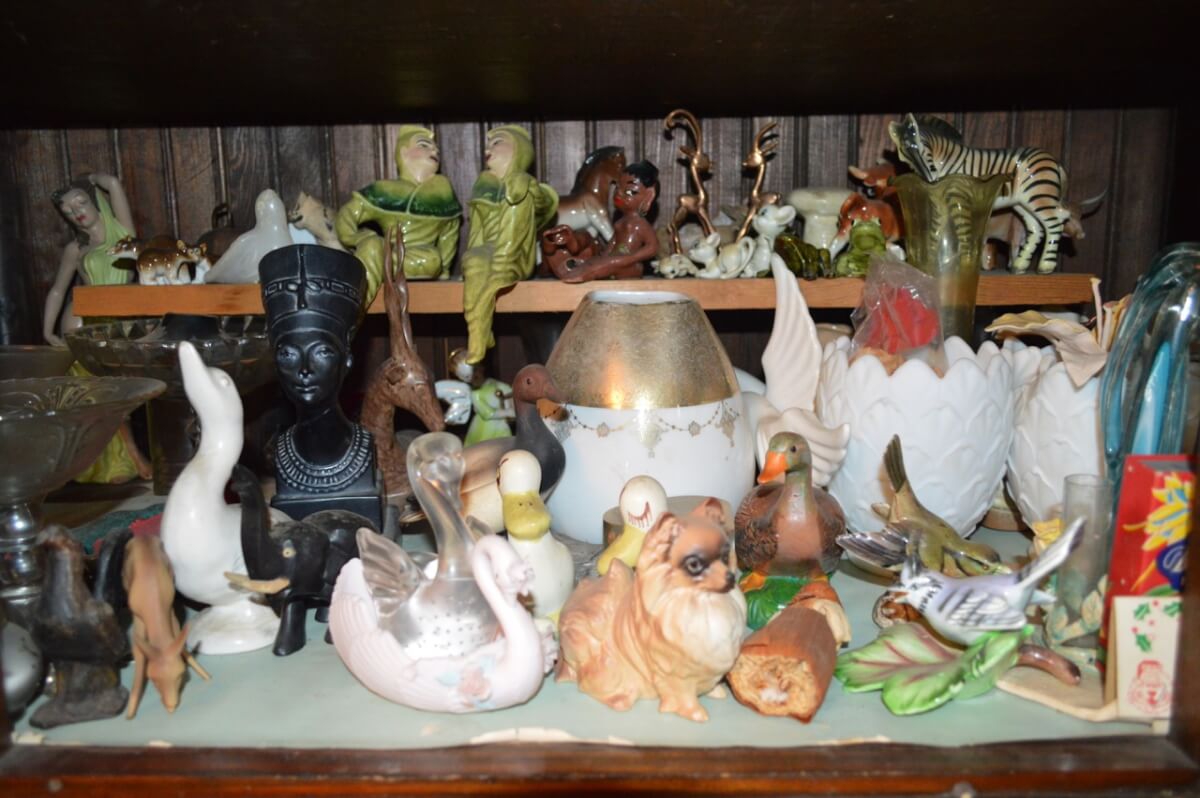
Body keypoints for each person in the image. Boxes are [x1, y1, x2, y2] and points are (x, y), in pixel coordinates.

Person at [260, 245, 384, 528]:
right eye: (288, 354)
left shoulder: (363, 448)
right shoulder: (280, 453)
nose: (305, 370)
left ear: (347, 359)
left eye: (322, 352)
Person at [461, 126, 558, 364]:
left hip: (516, 254)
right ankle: (479, 332)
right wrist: (471, 253)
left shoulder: (526, 183)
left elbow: (546, 207)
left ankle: (479, 332)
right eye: (488, 144)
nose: (488, 149)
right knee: (474, 262)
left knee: (518, 190)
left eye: (497, 142)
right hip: (489, 249)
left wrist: (527, 186)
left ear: (519, 151)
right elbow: (477, 228)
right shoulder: (484, 183)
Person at [335, 125, 461, 302]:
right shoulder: (385, 189)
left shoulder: (443, 191)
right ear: (403, 153)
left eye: (436, 149)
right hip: (387, 254)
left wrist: (444, 270)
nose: (434, 150)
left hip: (422, 259)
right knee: (372, 246)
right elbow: (348, 213)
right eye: (424, 145)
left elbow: (450, 232)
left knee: (432, 260)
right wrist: (354, 238)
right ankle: (356, 305)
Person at [44, 174, 134, 346]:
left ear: (95, 201)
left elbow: (113, 183)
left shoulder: (122, 233)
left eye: (81, 203)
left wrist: (90, 178)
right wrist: (48, 332)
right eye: (68, 211)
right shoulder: (76, 249)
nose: (76, 212)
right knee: (81, 360)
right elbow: (57, 290)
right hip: (83, 315)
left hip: (123, 311)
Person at [540, 160, 659, 283]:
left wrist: (631, 258)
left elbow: (653, 247)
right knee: (598, 260)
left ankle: (583, 273)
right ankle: (578, 267)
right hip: (614, 261)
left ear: (648, 197)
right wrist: (602, 257)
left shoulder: (640, 224)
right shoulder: (620, 222)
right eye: (617, 187)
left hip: (629, 266)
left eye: (630, 191)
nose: (618, 193)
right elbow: (612, 244)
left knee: (607, 263)